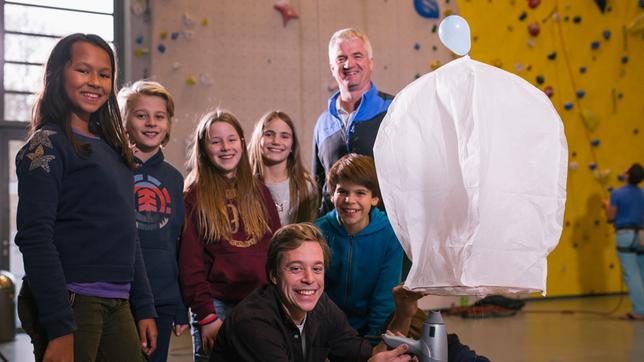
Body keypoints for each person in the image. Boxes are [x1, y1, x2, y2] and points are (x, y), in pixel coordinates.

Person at [14, 33, 157, 361]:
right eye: (83, 70)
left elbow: (127, 235)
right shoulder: (46, 146)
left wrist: (144, 305)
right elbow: (36, 238)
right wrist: (60, 326)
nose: (94, 82)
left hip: (118, 303)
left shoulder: (113, 151)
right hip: (73, 302)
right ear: (58, 74)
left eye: (104, 74)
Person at [211, 223, 421, 362]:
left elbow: (372, 356)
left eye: (317, 268)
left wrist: (403, 313)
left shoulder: (320, 306)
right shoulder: (253, 323)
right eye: (295, 268)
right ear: (274, 275)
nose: (309, 279)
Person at [179, 109, 281, 361]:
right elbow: (190, 265)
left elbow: (276, 249)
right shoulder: (193, 196)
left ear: (243, 144)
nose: (225, 147)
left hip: (259, 302)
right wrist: (207, 316)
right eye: (216, 141)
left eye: (232, 139)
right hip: (216, 305)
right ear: (204, 148)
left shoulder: (260, 192)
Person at [118, 80, 189, 361]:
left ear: (168, 124)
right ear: (124, 120)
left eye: (159, 116)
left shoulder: (174, 178)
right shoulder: (112, 169)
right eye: (141, 115)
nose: (151, 123)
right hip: (118, 296)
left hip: (162, 297)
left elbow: (177, 243)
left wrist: (180, 303)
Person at [316, 154, 403, 343]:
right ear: (332, 195)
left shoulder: (390, 234)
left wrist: (371, 344)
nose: (350, 200)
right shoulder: (317, 232)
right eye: (343, 192)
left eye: (360, 193)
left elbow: (384, 299)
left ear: (374, 199)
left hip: (372, 329)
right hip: (326, 329)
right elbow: (315, 293)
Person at [312, 28, 394, 213]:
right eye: (341, 58)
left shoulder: (394, 110)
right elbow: (319, 187)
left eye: (357, 55)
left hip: (385, 231)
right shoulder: (323, 123)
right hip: (334, 234)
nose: (349, 64)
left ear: (370, 63)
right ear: (332, 67)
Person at [249, 110, 319, 225]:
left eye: (284, 136)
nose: (276, 141)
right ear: (258, 140)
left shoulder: (306, 187)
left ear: (292, 145)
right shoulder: (244, 185)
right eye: (269, 134)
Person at [603, 163, 644, 320]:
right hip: (642, 234)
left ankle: (640, 310)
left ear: (627, 175)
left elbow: (611, 217)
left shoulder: (617, 194)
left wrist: (607, 205)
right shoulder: (643, 194)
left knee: (631, 274)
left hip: (625, 234)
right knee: (642, 271)